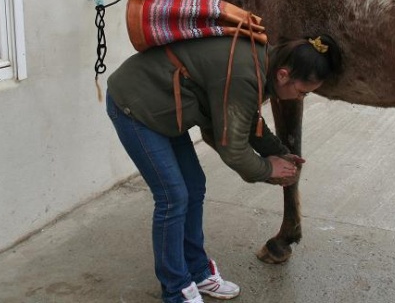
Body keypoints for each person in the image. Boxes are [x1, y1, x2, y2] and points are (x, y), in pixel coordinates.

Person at [106, 34, 342, 303]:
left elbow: (246, 118)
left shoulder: (263, 62)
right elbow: (233, 149)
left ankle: (197, 271)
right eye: (303, 92)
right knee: (173, 197)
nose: (300, 98)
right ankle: (175, 289)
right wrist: (268, 169)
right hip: (135, 105)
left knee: (193, 187)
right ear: (284, 75)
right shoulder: (247, 73)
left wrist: (279, 153)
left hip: (166, 108)